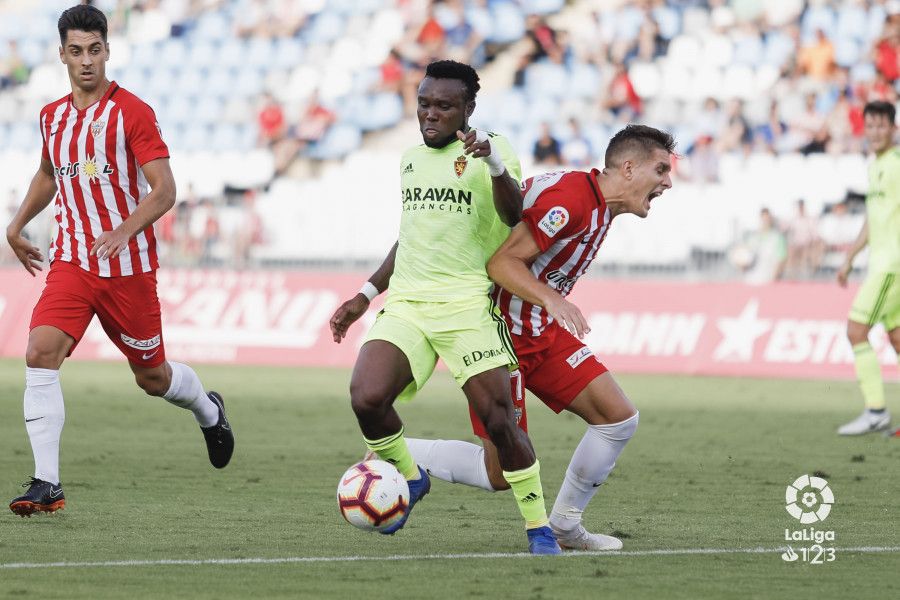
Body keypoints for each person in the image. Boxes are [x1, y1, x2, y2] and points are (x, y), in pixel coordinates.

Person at [342, 125, 675, 551]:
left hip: (539, 330)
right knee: (499, 474)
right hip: (500, 337)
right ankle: (399, 453)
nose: (667, 181)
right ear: (628, 168)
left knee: (618, 419)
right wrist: (554, 299)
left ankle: (565, 526)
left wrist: (547, 304)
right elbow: (502, 264)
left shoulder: (595, 203)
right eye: (660, 169)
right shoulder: (571, 201)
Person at [5, 5, 234, 517]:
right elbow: (49, 173)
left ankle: (207, 408)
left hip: (128, 270)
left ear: (107, 50)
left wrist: (122, 230)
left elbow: (165, 190)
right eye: (75, 51)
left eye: (94, 50)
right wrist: (16, 226)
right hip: (72, 262)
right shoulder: (53, 116)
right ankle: (48, 484)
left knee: (152, 379)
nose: (86, 60)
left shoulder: (131, 111)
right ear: (61, 54)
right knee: (40, 353)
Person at [329, 60, 561, 554]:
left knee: (500, 421)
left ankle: (539, 526)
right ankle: (413, 479)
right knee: (365, 397)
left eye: (444, 106)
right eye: (424, 104)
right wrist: (365, 295)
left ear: (468, 109)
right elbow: (410, 237)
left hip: (466, 308)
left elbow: (514, 213)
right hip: (409, 304)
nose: (431, 115)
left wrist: (494, 163)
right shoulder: (411, 158)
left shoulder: (492, 152)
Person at [835, 101, 900, 436]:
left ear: (894, 128)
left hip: (892, 267)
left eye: (881, 126)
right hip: (882, 264)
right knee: (898, 339)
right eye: (870, 126)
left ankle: (876, 411)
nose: (875, 132)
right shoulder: (875, 165)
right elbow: (873, 221)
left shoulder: (896, 165)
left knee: (856, 331)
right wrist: (849, 258)